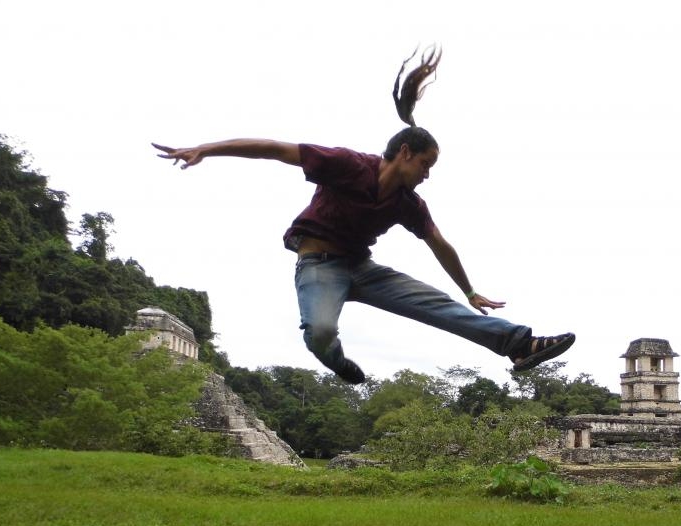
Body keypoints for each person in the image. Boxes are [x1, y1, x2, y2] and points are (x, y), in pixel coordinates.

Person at [153, 48, 574, 385]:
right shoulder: (347, 165)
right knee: (320, 332)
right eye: (425, 165)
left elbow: (440, 244)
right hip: (319, 266)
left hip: (363, 268)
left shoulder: (408, 203)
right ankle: (335, 360)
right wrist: (206, 148)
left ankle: (518, 344)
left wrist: (470, 291)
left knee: (437, 305)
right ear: (405, 153)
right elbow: (274, 149)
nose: (427, 175)